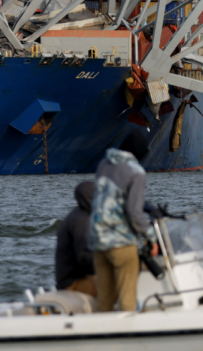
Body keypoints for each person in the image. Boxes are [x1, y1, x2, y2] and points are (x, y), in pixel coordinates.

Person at [90, 129, 158, 312]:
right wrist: (151, 237)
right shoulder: (137, 172)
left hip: (97, 241)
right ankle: (129, 338)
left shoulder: (103, 164)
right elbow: (134, 212)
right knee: (127, 298)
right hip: (121, 242)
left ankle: (100, 337)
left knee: (104, 298)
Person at [55, 180, 97, 297]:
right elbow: (84, 257)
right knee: (113, 286)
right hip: (73, 283)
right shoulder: (82, 220)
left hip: (72, 279)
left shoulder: (78, 215)